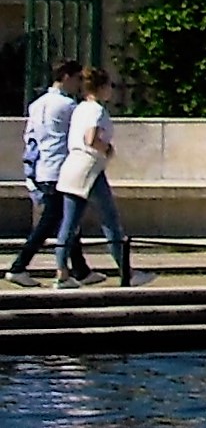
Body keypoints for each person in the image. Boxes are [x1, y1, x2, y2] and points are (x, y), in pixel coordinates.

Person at [6, 59, 85, 287]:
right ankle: (19, 265)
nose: (79, 84)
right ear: (67, 77)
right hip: (61, 168)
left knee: (65, 219)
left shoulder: (37, 104)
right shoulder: (68, 107)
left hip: (43, 168)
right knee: (52, 221)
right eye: (78, 78)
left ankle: (80, 268)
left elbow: (31, 138)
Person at [50, 66, 128, 289]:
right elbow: (90, 138)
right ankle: (126, 269)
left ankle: (62, 272)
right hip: (89, 166)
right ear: (102, 87)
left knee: (70, 222)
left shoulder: (80, 108)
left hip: (73, 166)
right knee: (110, 220)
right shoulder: (95, 110)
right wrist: (107, 148)